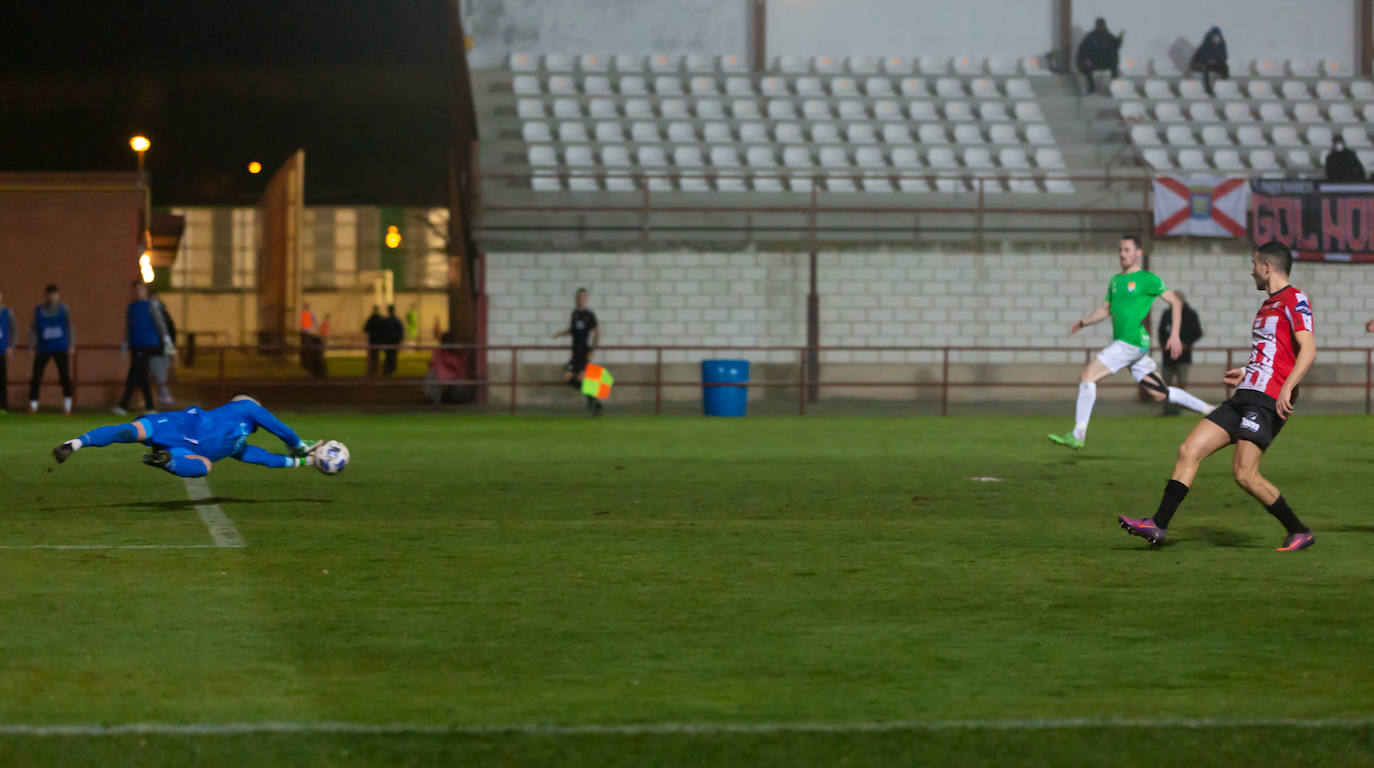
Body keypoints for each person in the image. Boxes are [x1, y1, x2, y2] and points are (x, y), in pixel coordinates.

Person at [1119, 241, 1317, 551]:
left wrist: (1288, 386)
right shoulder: (1267, 305)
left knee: (1244, 474)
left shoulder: (1295, 299)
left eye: (1254, 264)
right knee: (1189, 450)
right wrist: (1246, 369)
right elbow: (1273, 353)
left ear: (1268, 266)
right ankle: (1157, 525)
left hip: (1267, 400)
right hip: (1246, 393)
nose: (1251, 270)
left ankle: (1299, 530)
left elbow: (1309, 349)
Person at [1049, 236, 1213, 450]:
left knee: (1087, 376)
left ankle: (1078, 434)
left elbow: (1175, 302)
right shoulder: (1115, 281)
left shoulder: (1147, 279)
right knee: (1159, 393)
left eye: (1127, 250)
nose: (1122, 254)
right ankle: (1209, 409)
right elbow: (1105, 310)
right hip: (1132, 345)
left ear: (1138, 253)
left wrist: (1175, 335)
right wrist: (1084, 322)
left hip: (1131, 342)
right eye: (1120, 250)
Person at [51, 393, 322, 479]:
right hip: (185, 427)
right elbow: (280, 428)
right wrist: (298, 446)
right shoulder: (248, 409)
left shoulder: (236, 444)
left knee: (204, 466)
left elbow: (263, 458)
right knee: (130, 432)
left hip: (184, 438)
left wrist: (305, 463)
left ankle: (165, 459)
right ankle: (74, 444)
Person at [114, 281, 172, 416]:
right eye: (136, 290)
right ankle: (146, 406)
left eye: (140, 289)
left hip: (147, 344)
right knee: (137, 374)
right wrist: (125, 342)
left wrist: (166, 338)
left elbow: (159, 322)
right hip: (135, 345)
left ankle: (129, 405)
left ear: (145, 291)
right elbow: (129, 326)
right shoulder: (132, 307)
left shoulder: (150, 305)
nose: (138, 292)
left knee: (137, 374)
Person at [552, 287, 602, 415]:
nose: (580, 298)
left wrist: (592, 350)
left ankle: (594, 403)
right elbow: (572, 330)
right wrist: (560, 334)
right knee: (568, 378)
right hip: (575, 352)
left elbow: (597, 333)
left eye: (583, 296)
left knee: (579, 378)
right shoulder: (574, 313)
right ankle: (594, 400)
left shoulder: (590, 314)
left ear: (586, 298)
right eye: (578, 296)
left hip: (584, 352)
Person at [28, 284, 75, 414]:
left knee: (64, 377)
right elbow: (33, 329)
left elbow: (70, 327)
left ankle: (67, 407)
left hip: (60, 347)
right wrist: (31, 346)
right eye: (49, 294)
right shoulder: (39, 310)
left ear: (58, 295)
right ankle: (33, 406)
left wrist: (71, 345)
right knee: (36, 376)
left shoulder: (64, 309)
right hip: (43, 348)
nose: (52, 297)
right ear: (46, 295)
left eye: (54, 294)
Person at [1157, 290, 1204, 415]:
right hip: (1168, 356)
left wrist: (1185, 344)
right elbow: (1161, 332)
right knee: (1165, 383)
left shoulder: (1190, 314)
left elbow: (1197, 332)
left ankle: (1179, 409)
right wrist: (1165, 345)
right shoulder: (1167, 314)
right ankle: (1167, 409)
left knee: (1181, 384)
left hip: (1183, 357)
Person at [1076, 17, 1123, 94]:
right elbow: (1083, 50)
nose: (1101, 27)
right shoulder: (1090, 37)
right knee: (1085, 68)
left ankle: (1114, 86)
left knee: (1115, 59)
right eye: (1099, 25)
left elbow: (1115, 45)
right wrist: (1085, 59)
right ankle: (1091, 88)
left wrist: (1120, 39)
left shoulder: (1108, 36)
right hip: (1093, 62)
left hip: (1105, 62)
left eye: (1102, 25)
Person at [147, 289, 177, 406]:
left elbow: (168, 330)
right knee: (159, 372)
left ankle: (163, 395)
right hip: (156, 347)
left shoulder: (163, 311)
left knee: (164, 371)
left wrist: (171, 348)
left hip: (165, 346)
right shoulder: (150, 312)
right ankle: (163, 395)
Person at [1189, 27, 1228, 96]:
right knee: (1205, 68)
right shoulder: (1206, 44)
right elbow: (1202, 56)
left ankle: (1224, 87)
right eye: (1215, 36)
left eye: (1218, 36)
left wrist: (1217, 60)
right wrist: (1209, 60)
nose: (1216, 38)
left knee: (1224, 67)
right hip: (1198, 64)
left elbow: (1224, 56)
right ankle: (1207, 89)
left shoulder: (1221, 45)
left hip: (1213, 64)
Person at [0, 288, 14, 414]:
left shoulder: (7, 312)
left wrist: (10, 346)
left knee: (2, 380)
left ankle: (3, 407)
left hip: (1, 352)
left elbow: (13, 330)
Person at [382, 305, 405, 376]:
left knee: (388, 356)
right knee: (393, 357)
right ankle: (392, 370)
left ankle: (387, 371)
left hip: (387, 342)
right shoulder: (397, 320)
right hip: (395, 342)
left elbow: (382, 332)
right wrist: (400, 340)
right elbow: (401, 331)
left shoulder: (386, 320)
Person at [364, 305, 386, 376]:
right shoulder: (381, 318)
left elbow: (365, 329)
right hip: (380, 341)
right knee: (380, 357)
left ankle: (374, 371)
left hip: (372, 341)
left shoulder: (371, 318)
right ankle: (380, 371)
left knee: (374, 357)